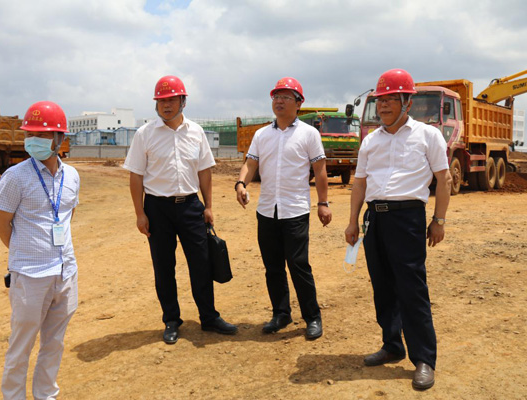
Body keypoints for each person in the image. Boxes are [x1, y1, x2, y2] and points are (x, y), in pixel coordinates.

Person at [344, 69, 452, 391]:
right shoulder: (370, 141)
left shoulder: (428, 135)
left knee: (412, 288)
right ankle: (392, 345)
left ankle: (424, 359)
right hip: (375, 219)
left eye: (391, 99)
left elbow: (443, 179)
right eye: (380, 100)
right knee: (382, 285)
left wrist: (439, 220)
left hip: (408, 219)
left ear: (407, 102)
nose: (384, 106)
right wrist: (353, 220)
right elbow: (360, 183)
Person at [124, 75, 237, 344]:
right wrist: (140, 213)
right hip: (157, 209)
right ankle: (171, 320)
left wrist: (209, 206)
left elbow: (204, 171)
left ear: (183, 101)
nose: (166, 105)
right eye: (161, 100)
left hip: (190, 207)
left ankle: (209, 317)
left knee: (201, 263)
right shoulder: (144, 134)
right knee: (164, 267)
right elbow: (136, 176)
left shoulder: (196, 132)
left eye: (172, 100)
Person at [0, 101, 80, 399]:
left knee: (54, 343)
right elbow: (0, 224)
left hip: (65, 273)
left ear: (59, 138)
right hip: (30, 276)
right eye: (30, 134)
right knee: (21, 345)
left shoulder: (72, 176)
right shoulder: (15, 177)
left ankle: (46, 394)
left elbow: (67, 217)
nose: (34, 140)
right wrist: (25, 252)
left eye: (42, 135)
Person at [236, 77, 332, 340]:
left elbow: (320, 170)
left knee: (299, 265)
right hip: (267, 210)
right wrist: (241, 183)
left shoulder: (309, 134)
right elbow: (251, 164)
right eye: (276, 96)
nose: (279, 101)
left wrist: (323, 203)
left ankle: (312, 317)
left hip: (295, 210)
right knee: (273, 266)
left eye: (285, 97)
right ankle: (281, 313)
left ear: (298, 103)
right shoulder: (261, 135)